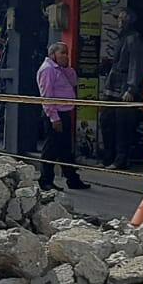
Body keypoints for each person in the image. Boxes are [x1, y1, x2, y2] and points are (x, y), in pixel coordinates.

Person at [37, 42, 90, 191]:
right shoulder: (47, 70)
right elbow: (46, 96)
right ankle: (46, 180)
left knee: (66, 149)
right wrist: (54, 118)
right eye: (62, 53)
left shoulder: (60, 69)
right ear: (53, 54)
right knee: (51, 149)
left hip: (65, 112)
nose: (65, 56)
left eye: (67, 53)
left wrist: (66, 67)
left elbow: (73, 81)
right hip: (55, 114)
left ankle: (72, 179)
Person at [101, 8, 143, 170]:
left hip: (124, 86)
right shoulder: (122, 38)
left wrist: (131, 88)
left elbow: (136, 64)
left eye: (122, 19)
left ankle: (120, 159)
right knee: (107, 121)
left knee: (122, 125)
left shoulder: (133, 39)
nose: (119, 22)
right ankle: (108, 156)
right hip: (113, 85)